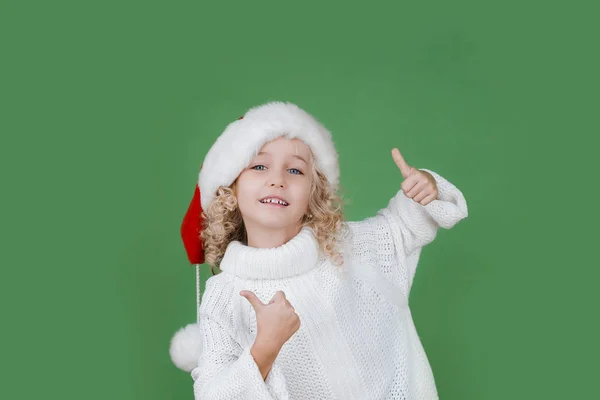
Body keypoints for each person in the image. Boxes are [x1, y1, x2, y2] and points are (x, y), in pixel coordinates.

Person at [169, 101, 468, 399]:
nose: (278, 180)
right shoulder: (224, 297)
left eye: (296, 170)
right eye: (259, 166)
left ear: (314, 191)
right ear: (230, 189)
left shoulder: (347, 249)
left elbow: (403, 227)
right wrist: (265, 349)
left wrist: (426, 189)